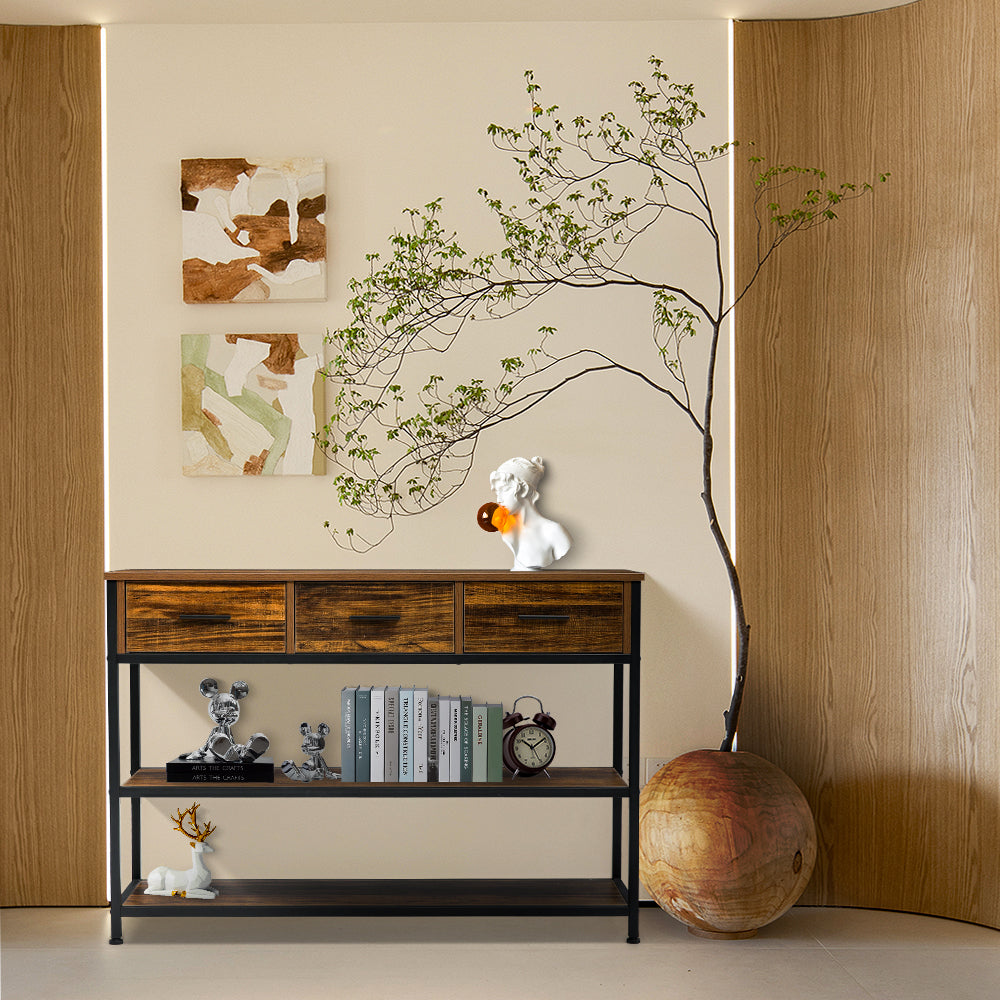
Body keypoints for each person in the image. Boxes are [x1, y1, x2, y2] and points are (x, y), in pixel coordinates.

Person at [488, 456, 571, 571]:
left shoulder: (554, 532)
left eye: (504, 490)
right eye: (497, 492)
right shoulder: (507, 529)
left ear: (524, 490)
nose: (499, 499)